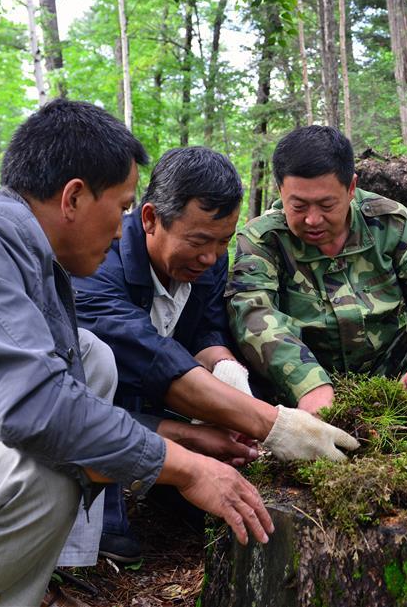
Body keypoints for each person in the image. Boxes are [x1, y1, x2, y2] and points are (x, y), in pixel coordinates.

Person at [0, 100, 274, 607]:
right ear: (74, 197)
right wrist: (187, 466)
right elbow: (36, 412)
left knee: (90, 358)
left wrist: (189, 441)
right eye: (120, 208)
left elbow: (70, 406)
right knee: (42, 469)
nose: (122, 231)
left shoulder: (33, 263)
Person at [71, 146, 359, 563]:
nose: (210, 257)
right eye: (198, 241)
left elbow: (205, 326)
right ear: (150, 219)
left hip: (166, 409)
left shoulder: (208, 262)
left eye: (222, 241)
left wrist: (225, 368)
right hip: (104, 409)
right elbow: (144, 353)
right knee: (100, 362)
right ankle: (100, 512)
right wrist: (270, 424)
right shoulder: (97, 264)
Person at [227, 125, 407, 418]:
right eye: (298, 206)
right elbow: (251, 312)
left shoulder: (386, 220)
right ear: (281, 191)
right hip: (298, 374)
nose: (312, 219)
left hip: (385, 368)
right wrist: (308, 383)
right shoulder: (263, 238)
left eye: (326, 204)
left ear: (351, 188)